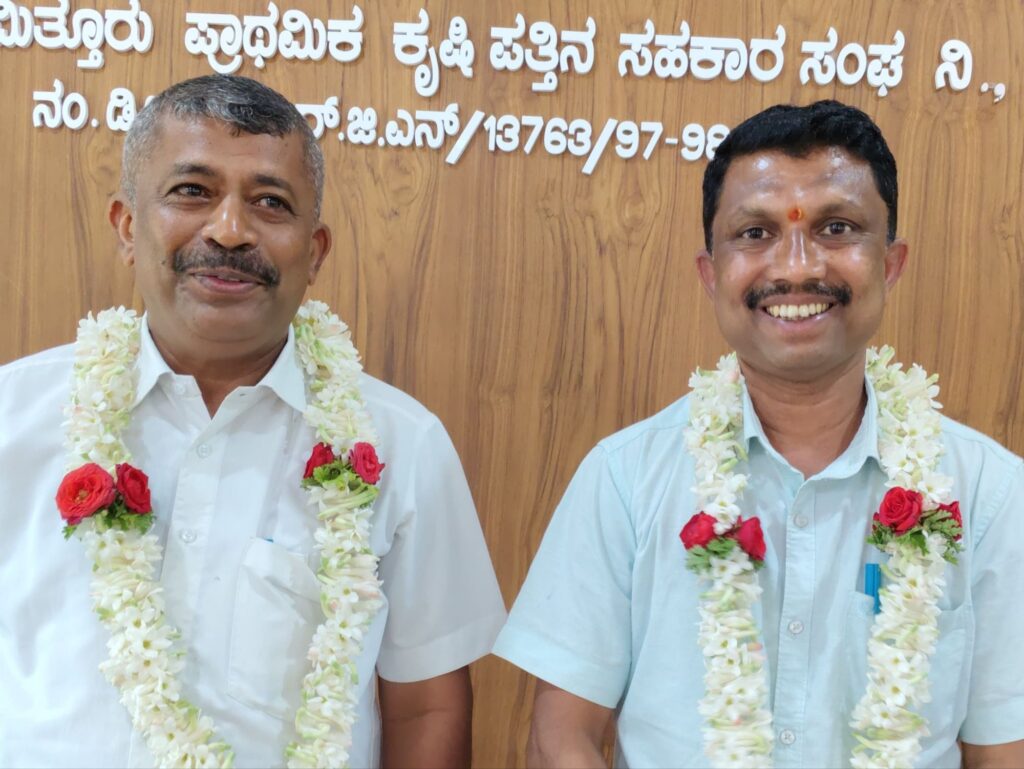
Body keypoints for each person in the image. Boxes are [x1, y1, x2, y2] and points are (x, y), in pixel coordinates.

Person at [493, 101, 1024, 769]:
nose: (796, 267)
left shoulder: (990, 494)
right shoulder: (625, 477)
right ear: (711, 273)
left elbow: (1004, 750)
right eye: (755, 232)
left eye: (836, 227)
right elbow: (560, 738)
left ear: (891, 263)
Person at [0, 74, 506, 768]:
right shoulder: (13, 413)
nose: (230, 231)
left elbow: (426, 706)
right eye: (192, 191)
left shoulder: (402, 445)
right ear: (127, 226)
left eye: (270, 202)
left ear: (315, 251)